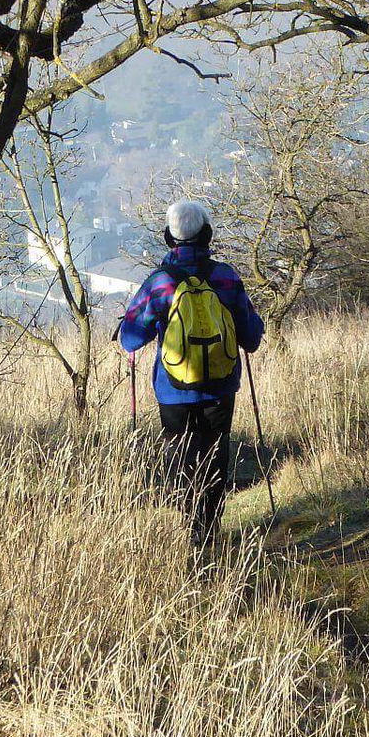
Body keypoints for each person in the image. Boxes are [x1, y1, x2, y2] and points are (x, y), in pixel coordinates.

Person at [117, 200, 265, 554]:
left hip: (173, 391)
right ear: (208, 234)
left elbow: (130, 338)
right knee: (215, 456)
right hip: (220, 387)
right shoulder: (226, 277)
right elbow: (252, 338)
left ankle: (189, 526)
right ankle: (209, 535)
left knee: (182, 460)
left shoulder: (160, 283)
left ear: (169, 238)